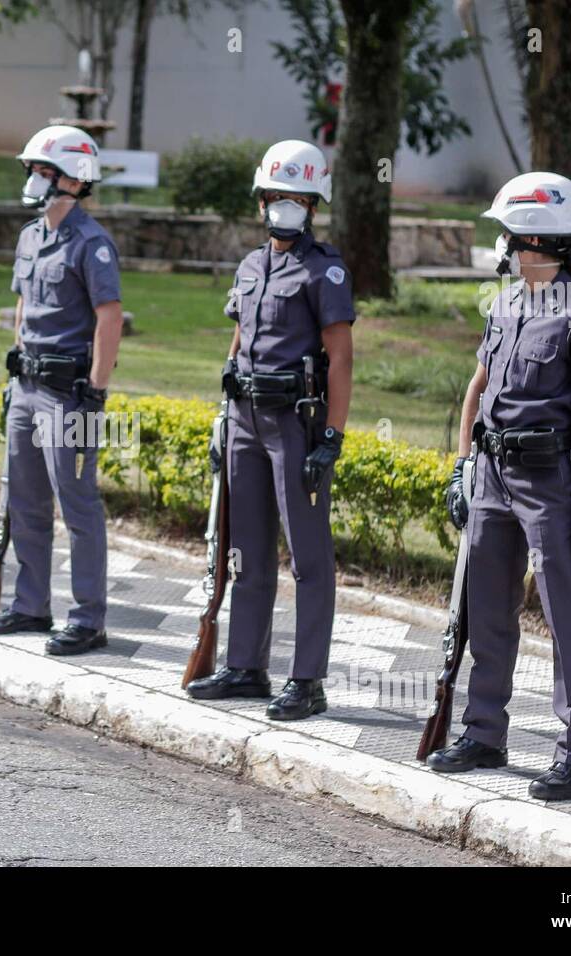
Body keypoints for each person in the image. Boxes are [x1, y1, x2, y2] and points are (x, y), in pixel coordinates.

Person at [429, 173, 571, 801]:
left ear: (537, 237)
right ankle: (485, 733)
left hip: (547, 484)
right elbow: (476, 389)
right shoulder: (505, 303)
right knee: (487, 605)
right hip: (492, 476)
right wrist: (461, 467)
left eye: (507, 232)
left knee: (565, 614)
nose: (502, 242)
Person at [185, 140, 355, 720]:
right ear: (261, 201)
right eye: (276, 196)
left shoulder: (324, 269)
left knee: (308, 555)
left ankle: (307, 680)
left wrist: (331, 436)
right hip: (243, 421)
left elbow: (341, 357)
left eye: (297, 198)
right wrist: (222, 411)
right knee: (244, 549)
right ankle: (245, 667)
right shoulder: (252, 265)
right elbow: (240, 338)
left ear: (314, 205)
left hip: (294, 423)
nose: (285, 206)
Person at [0, 125, 123, 656]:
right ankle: (30, 606)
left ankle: (88, 619)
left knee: (78, 505)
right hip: (28, 387)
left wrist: (96, 392)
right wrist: (14, 377)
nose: (35, 179)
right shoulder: (31, 235)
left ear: (75, 179)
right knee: (25, 501)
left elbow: (110, 320)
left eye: (45, 170)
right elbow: (22, 309)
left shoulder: (92, 243)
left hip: (69, 393)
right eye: (33, 169)